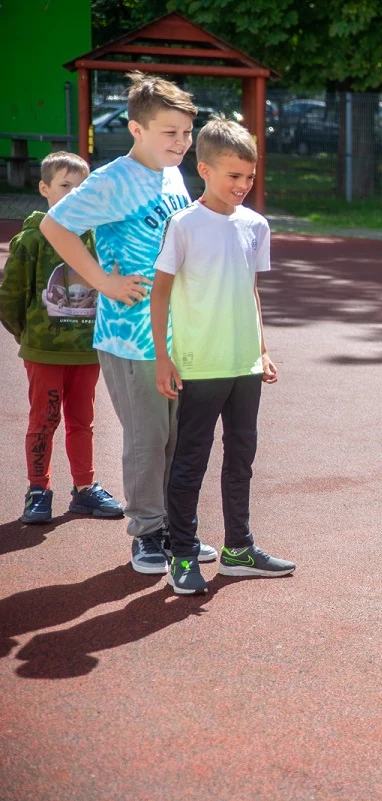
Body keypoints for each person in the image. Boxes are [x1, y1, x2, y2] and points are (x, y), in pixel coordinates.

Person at [39, 72, 218, 573]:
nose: (181, 142)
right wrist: (102, 281)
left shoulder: (172, 175)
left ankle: (176, 528)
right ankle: (147, 533)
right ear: (137, 130)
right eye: (170, 132)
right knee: (148, 440)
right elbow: (55, 225)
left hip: (178, 334)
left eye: (187, 131)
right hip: (131, 336)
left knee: (180, 440)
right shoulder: (113, 179)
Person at [151, 117, 294, 595]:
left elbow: (250, 290)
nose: (242, 185)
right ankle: (183, 552)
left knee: (242, 457)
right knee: (191, 459)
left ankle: (238, 549)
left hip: (244, 365)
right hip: (200, 363)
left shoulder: (256, 225)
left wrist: (263, 349)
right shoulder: (185, 225)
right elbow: (161, 293)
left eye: (249, 177)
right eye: (233, 175)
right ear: (204, 169)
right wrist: (163, 357)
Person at [0, 151, 123, 524]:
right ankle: (39, 490)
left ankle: (84, 489)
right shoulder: (32, 240)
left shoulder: (98, 238)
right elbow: (10, 297)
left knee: (82, 421)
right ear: (44, 188)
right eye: (65, 186)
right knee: (44, 420)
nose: (74, 193)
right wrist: (32, 336)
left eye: (82, 187)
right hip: (45, 352)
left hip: (86, 353)